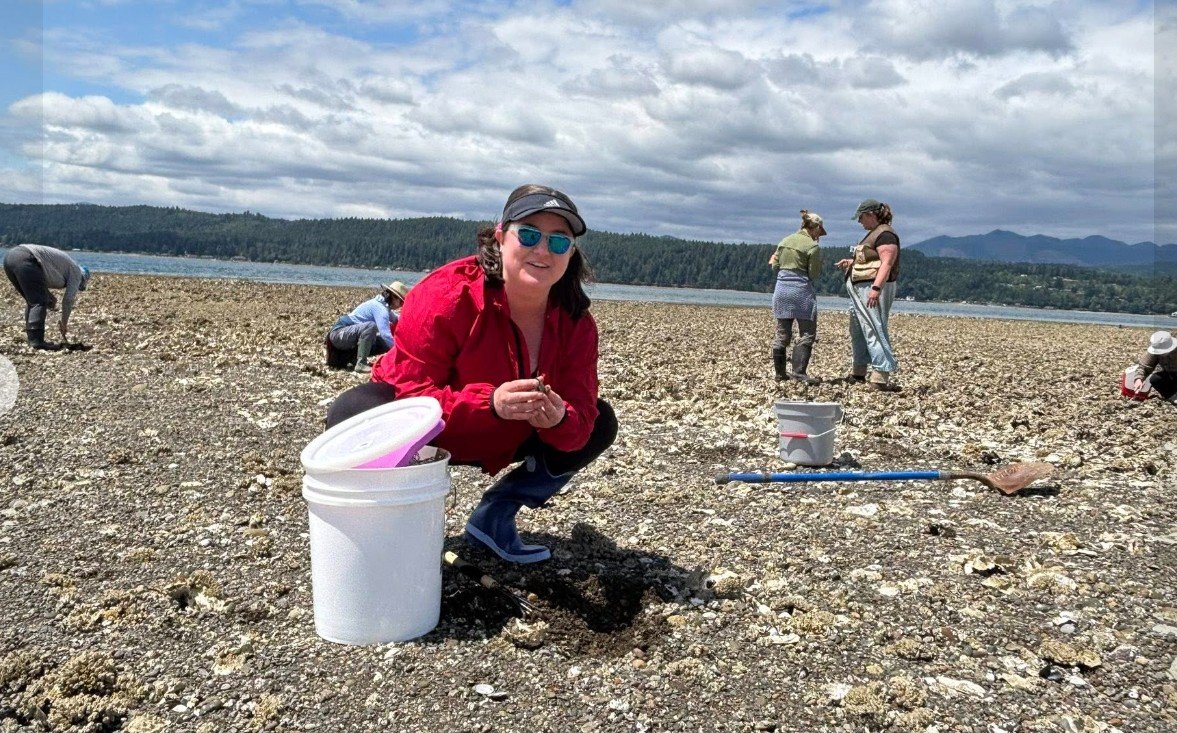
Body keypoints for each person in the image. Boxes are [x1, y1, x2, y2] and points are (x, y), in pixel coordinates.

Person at [326, 184, 618, 564]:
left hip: (516, 433)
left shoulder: (576, 322)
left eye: (559, 241)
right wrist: (491, 403)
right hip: (436, 431)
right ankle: (389, 528)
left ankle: (495, 515)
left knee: (599, 423)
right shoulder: (446, 294)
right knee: (353, 413)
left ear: (571, 253)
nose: (543, 250)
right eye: (529, 235)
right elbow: (408, 392)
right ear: (500, 237)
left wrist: (560, 418)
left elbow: (580, 417)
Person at [836, 199, 901, 392]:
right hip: (860, 289)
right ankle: (859, 371)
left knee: (874, 327)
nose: (860, 222)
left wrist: (876, 288)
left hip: (872, 289)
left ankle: (880, 375)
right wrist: (851, 263)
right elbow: (871, 260)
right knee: (858, 329)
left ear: (871, 214)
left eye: (861, 217)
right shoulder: (873, 234)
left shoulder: (886, 235)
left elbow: (887, 263)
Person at [768, 210, 826, 384]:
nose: (819, 236)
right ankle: (799, 373)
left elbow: (774, 266)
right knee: (807, 333)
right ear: (815, 228)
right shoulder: (812, 247)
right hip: (801, 292)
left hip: (781, 290)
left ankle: (780, 374)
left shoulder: (784, 241)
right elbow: (813, 274)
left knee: (782, 333)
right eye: (820, 231)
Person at [3, 244, 91, 351]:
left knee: (32, 301)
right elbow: (68, 300)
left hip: (10, 258)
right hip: (27, 258)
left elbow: (39, 279)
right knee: (38, 302)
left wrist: (50, 297)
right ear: (83, 279)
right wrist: (64, 323)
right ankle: (37, 341)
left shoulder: (66, 266)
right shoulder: (77, 272)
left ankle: (32, 338)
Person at [325, 281, 410, 373]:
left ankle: (353, 358)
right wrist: (402, 353)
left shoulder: (383, 307)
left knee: (382, 343)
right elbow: (386, 335)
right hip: (338, 334)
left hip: (347, 337)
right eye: (401, 302)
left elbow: (396, 319)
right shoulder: (380, 308)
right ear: (394, 297)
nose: (401, 305)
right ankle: (361, 364)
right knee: (371, 327)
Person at [1131, 330, 1177, 403]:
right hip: (1170, 375)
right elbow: (1144, 366)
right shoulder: (1156, 348)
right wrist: (1139, 379)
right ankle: (1173, 397)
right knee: (1155, 379)